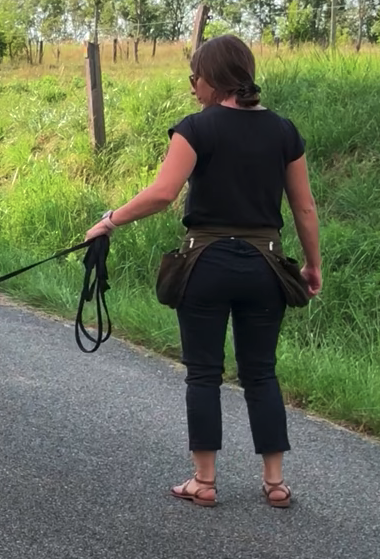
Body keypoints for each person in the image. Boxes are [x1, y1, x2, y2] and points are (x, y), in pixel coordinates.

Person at [83, 34, 322, 508]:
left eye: (195, 77)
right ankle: (275, 483)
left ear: (213, 79)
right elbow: (305, 208)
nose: (192, 86)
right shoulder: (284, 131)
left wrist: (109, 220)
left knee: (203, 374)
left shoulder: (196, 128)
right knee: (261, 374)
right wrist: (312, 265)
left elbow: (162, 194)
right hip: (265, 267)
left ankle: (204, 482)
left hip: (206, 266)